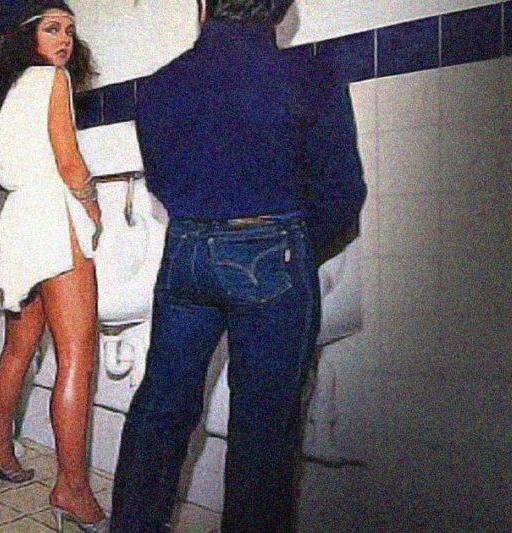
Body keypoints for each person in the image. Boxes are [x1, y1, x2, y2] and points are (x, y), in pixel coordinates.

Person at [110, 0, 367, 531]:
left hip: (186, 251)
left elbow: (162, 182)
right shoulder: (311, 77)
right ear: (280, 9)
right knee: (263, 427)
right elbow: (343, 192)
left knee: (161, 409)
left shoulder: (158, 87)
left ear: (205, 6)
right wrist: (289, 246)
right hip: (272, 253)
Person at [0, 2, 106, 531]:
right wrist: (91, 204)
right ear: (27, 37)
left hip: (18, 219)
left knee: (17, 349)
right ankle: (72, 488)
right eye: (52, 29)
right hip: (53, 215)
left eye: (69, 30)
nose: (64, 39)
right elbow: (69, 162)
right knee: (77, 359)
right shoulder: (52, 79)